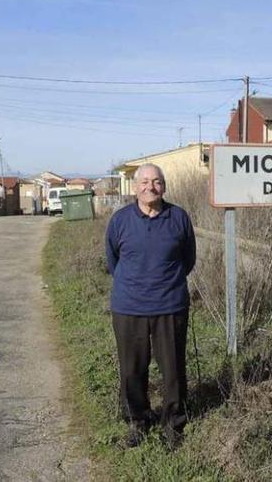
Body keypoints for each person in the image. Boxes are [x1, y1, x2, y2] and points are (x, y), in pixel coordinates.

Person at [105, 163, 196, 449]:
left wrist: (166, 284)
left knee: (172, 369)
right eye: (144, 181)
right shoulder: (119, 221)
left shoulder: (178, 218)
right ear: (135, 187)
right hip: (129, 306)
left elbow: (188, 260)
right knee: (132, 369)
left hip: (170, 304)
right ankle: (138, 421)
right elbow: (113, 261)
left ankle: (173, 423)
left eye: (156, 181)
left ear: (164, 187)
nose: (150, 186)